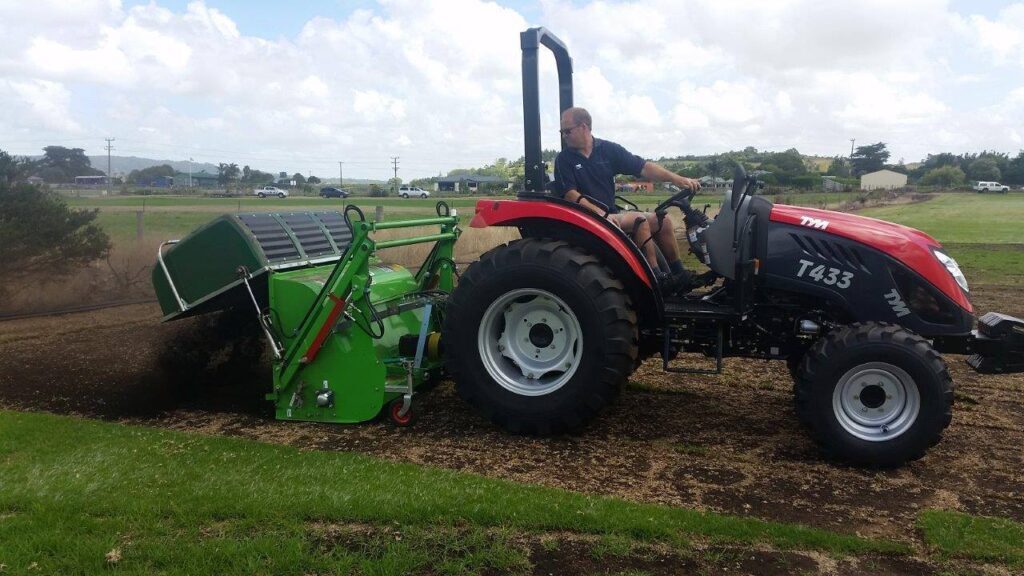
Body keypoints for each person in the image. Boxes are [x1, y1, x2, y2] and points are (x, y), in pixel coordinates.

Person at [554, 106, 701, 292]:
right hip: (588, 217)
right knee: (640, 220)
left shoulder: (607, 150)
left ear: (584, 127)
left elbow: (643, 168)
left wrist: (677, 179)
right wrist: (601, 214)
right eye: (562, 132)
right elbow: (570, 194)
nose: (564, 136)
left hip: (611, 215)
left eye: (567, 131)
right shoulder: (564, 159)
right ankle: (657, 280)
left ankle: (679, 275)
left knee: (663, 221)